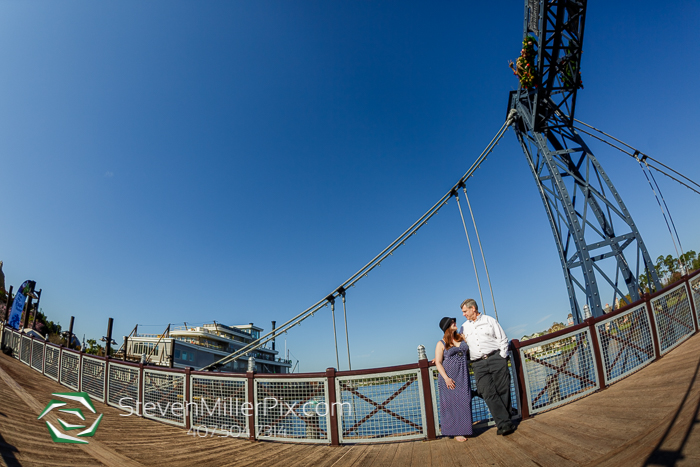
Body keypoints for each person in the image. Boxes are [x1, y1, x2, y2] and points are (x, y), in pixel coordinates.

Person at [460, 299, 516, 436]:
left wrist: (502, 356)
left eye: (465, 311)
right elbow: (455, 342)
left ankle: (503, 424)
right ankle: (505, 421)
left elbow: (502, 338)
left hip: (496, 358)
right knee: (486, 391)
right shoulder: (463, 327)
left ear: (473, 308)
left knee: (503, 389)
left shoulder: (489, 320)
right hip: (478, 364)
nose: (463, 314)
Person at [435, 316, 473, 441]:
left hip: (463, 375)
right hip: (449, 377)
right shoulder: (441, 343)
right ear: (446, 327)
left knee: (464, 400)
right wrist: (446, 378)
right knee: (451, 405)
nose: (454, 323)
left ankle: (465, 428)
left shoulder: (461, 337)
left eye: (454, 321)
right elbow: (438, 363)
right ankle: (456, 432)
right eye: (451, 323)